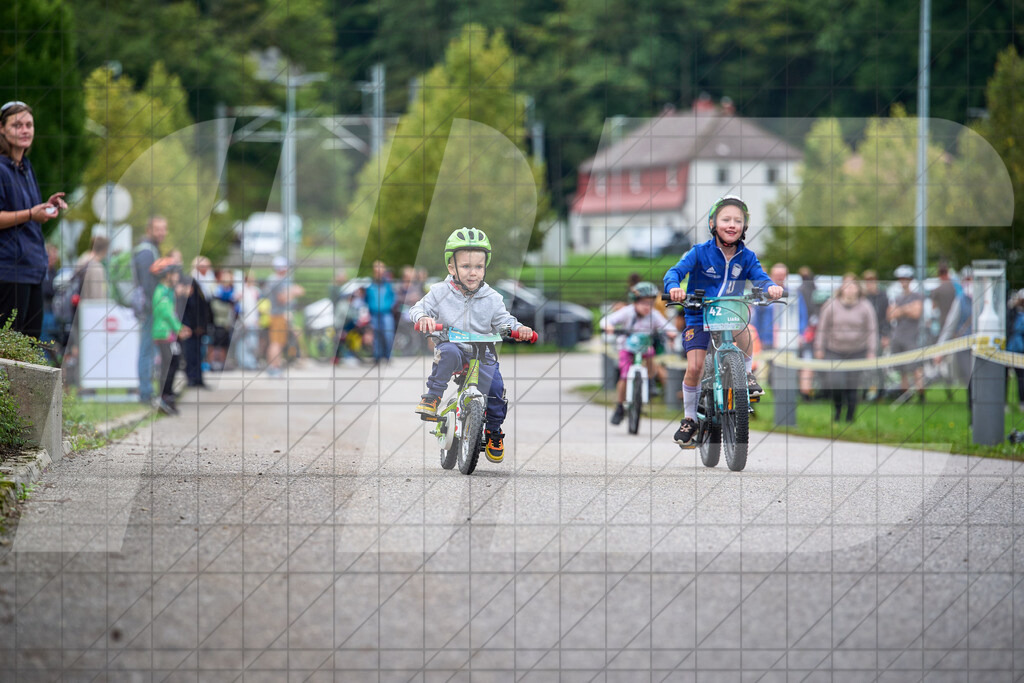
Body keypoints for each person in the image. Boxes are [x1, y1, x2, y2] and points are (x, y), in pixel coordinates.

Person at [663, 195, 784, 449]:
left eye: (738, 220)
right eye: (726, 219)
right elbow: (674, 272)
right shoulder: (699, 252)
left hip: (730, 313)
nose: (732, 224)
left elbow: (761, 277)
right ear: (713, 224)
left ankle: (746, 376)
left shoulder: (747, 256)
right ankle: (689, 418)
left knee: (746, 329)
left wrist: (771, 287)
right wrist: (674, 287)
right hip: (699, 314)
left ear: (745, 226)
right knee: (695, 366)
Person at [410, 227, 534, 463]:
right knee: (446, 352)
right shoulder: (439, 292)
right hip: (453, 347)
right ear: (451, 268)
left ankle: (494, 431)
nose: (473, 273)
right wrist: (424, 318)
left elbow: (504, 322)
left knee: (496, 388)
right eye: (466, 267)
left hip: (483, 352)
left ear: (485, 268)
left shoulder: (493, 298)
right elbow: (418, 308)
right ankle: (433, 397)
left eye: (478, 267)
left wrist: (518, 330)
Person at [0, 101, 67, 338]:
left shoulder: (25, 167)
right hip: (9, 271)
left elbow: (29, 212)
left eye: (29, 124)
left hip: (34, 269)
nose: (25, 130)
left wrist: (46, 207)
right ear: (2, 128)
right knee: (9, 353)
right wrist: (30, 214)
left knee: (29, 352)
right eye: (17, 125)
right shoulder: (1, 168)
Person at [599, 281, 677, 425]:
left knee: (651, 359)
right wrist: (609, 326)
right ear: (635, 302)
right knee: (624, 375)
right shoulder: (627, 312)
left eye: (650, 303)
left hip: (645, 347)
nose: (647, 307)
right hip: (626, 347)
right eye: (643, 303)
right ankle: (619, 406)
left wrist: (671, 333)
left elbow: (668, 327)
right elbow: (607, 320)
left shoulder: (654, 315)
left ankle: (650, 383)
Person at [814, 274, 878, 422]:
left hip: (857, 351)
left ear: (858, 289)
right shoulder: (831, 305)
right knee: (836, 383)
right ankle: (837, 411)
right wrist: (819, 347)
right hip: (834, 351)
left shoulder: (866, 306)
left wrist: (871, 351)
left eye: (853, 286)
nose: (849, 289)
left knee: (853, 386)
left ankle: (850, 417)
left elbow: (872, 330)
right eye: (846, 286)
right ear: (841, 288)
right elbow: (822, 328)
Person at [132, 216, 167, 406]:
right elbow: (147, 285)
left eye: (164, 229)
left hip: (150, 307)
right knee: (146, 349)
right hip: (149, 308)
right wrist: (156, 307)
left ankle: (147, 390)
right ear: (149, 230)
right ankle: (146, 392)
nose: (162, 232)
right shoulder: (146, 252)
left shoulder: (150, 249)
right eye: (158, 229)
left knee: (149, 349)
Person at [150, 257, 190, 415]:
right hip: (163, 333)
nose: (177, 276)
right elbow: (167, 313)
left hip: (169, 334)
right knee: (168, 366)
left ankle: (167, 395)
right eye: (174, 273)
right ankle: (163, 396)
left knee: (173, 364)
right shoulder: (162, 292)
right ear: (166, 275)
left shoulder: (167, 291)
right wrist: (179, 328)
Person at [888, 264, 925, 402]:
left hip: (913, 337)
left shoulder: (917, 295)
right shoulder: (896, 297)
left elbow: (916, 313)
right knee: (901, 369)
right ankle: (906, 396)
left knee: (916, 368)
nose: (903, 281)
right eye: (901, 278)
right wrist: (907, 309)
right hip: (898, 337)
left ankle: (921, 397)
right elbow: (890, 314)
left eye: (906, 278)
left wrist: (900, 310)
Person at [263, 256, 304, 376]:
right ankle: (273, 367)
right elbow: (282, 299)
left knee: (278, 343)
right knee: (276, 343)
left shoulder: (276, 279)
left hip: (278, 315)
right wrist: (294, 293)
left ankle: (275, 366)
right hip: (278, 315)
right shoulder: (277, 280)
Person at [180, 256, 213, 388]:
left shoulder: (206, 282)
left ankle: (198, 378)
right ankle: (192, 378)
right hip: (192, 324)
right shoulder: (191, 281)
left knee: (199, 353)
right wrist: (195, 325)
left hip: (200, 324)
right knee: (191, 352)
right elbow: (192, 306)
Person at [861, 269, 891, 401]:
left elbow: (886, 317)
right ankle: (865, 392)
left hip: (878, 334)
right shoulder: (863, 298)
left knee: (878, 365)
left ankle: (880, 392)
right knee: (863, 365)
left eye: (872, 281)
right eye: (867, 282)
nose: (870, 284)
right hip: (864, 336)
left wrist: (886, 335)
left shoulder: (883, 297)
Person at [366, 259, 395, 364]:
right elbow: (367, 299)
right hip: (374, 314)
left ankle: (388, 356)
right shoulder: (370, 285)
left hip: (386, 314)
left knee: (388, 335)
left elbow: (393, 298)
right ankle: (377, 357)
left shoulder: (388, 285)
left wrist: (388, 306)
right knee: (376, 336)